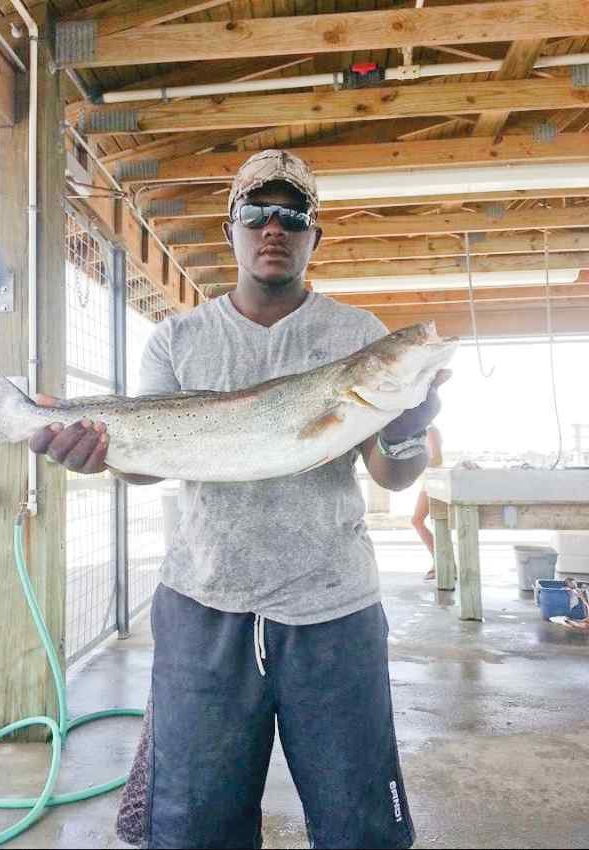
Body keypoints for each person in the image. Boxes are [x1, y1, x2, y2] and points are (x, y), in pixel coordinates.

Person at [30, 149, 451, 850]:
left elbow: (391, 476)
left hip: (334, 612)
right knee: (195, 828)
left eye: (293, 216)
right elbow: (150, 464)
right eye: (257, 214)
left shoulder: (358, 336)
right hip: (203, 607)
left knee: (361, 828)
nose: (274, 229)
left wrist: (407, 434)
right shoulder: (178, 339)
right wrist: (102, 454)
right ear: (232, 227)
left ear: (316, 234)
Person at [411, 425, 444, 581]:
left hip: (434, 481)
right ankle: (442, 563)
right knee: (426, 522)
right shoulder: (423, 430)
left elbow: (437, 459)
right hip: (429, 480)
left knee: (417, 520)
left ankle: (440, 564)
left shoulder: (430, 430)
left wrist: (414, 464)